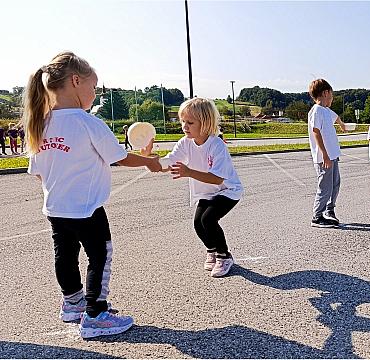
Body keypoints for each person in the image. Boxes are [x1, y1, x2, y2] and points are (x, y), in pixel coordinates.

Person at [22, 52, 162, 339]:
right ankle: (96, 313)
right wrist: (147, 160)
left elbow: (37, 171)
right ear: (76, 81)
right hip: (86, 208)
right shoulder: (87, 122)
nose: (95, 93)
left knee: (65, 255)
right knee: (100, 255)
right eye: (93, 86)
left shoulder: (40, 124)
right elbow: (120, 158)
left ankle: (72, 304)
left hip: (56, 208)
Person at [162, 98, 243, 277]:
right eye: (182, 121)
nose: (184, 126)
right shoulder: (185, 142)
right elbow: (170, 160)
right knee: (198, 224)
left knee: (208, 220)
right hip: (207, 192)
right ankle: (212, 250)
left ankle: (224, 256)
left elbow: (216, 178)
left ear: (205, 123)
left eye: (190, 122)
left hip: (227, 190)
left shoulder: (216, 145)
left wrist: (188, 172)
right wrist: (150, 161)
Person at [307, 79, 347, 227]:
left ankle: (329, 211)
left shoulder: (325, 110)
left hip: (332, 155)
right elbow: (316, 132)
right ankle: (317, 216)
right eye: (331, 96)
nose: (332, 99)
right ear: (325, 93)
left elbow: (335, 116)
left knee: (335, 184)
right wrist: (324, 154)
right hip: (324, 157)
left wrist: (341, 124)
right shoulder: (316, 111)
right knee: (325, 187)